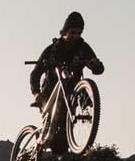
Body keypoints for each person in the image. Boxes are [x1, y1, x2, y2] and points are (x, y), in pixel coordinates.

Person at [29, 11, 104, 153]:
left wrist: (96, 65)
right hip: (50, 91)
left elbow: (98, 68)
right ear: (65, 31)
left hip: (72, 91)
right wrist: (36, 93)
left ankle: (61, 158)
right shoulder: (53, 49)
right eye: (73, 32)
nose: (76, 36)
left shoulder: (83, 48)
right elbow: (35, 73)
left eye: (79, 33)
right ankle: (42, 145)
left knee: (62, 132)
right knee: (52, 123)